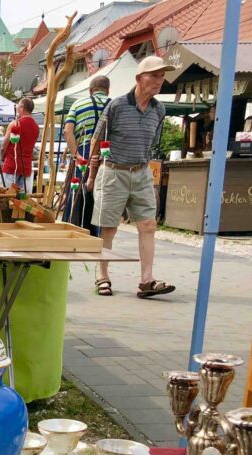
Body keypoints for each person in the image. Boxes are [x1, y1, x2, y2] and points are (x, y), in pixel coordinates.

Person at [87, 56, 175, 299]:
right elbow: (96, 141)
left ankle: (147, 280)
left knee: (148, 225)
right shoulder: (116, 106)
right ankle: (102, 276)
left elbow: (152, 144)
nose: (159, 81)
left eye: (161, 76)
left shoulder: (159, 109)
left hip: (142, 171)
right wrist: (92, 176)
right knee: (109, 228)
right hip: (114, 170)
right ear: (139, 78)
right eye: (154, 75)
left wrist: (149, 175)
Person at [63, 75, 111, 240]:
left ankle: (72, 229)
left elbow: (67, 131)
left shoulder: (78, 103)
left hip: (83, 153)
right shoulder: (113, 105)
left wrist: (76, 154)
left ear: (91, 91)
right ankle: (97, 234)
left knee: (77, 193)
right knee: (100, 196)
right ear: (107, 90)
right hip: (107, 156)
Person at [0, 97, 39, 191]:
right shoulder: (36, 127)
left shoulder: (15, 124)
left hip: (11, 166)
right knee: (23, 200)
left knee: (4, 198)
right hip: (26, 167)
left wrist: (2, 158)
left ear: (22, 108)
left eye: (18, 106)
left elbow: (3, 146)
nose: (17, 109)